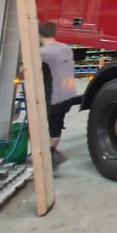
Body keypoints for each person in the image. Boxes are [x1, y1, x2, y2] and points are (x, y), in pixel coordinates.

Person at [38, 21, 78, 166]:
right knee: (56, 125)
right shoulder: (66, 48)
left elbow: (30, 73)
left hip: (54, 98)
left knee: (47, 127)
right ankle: (51, 153)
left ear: (39, 34)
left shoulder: (43, 53)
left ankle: (49, 157)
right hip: (68, 95)